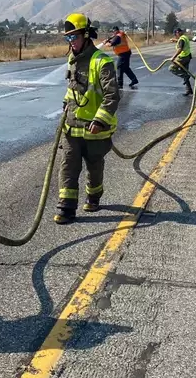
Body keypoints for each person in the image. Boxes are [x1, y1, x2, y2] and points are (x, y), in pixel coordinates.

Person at [55, 13, 120, 224]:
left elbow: (112, 95)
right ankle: (66, 208)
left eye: (74, 37)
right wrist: (66, 105)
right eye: (68, 38)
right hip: (72, 127)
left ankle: (94, 196)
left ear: (85, 35)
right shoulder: (72, 59)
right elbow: (72, 90)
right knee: (68, 165)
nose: (71, 42)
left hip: (95, 130)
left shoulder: (102, 62)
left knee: (94, 166)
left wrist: (100, 120)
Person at [103, 25, 139, 90]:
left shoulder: (118, 36)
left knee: (119, 67)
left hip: (123, 54)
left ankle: (119, 84)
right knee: (125, 68)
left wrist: (105, 44)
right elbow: (115, 42)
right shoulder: (119, 35)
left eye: (113, 31)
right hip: (126, 53)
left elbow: (112, 43)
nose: (113, 32)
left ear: (116, 31)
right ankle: (134, 80)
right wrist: (108, 40)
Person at [169, 27, 193, 96]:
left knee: (171, 68)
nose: (175, 35)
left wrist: (173, 57)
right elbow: (181, 42)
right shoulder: (184, 37)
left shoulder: (182, 39)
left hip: (182, 58)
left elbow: (180, 49)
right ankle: (189, 90)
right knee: (184, 71)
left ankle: (186, 76)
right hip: (188, 57)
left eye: (175, 34)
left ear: (178, 32)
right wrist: (175, 40)